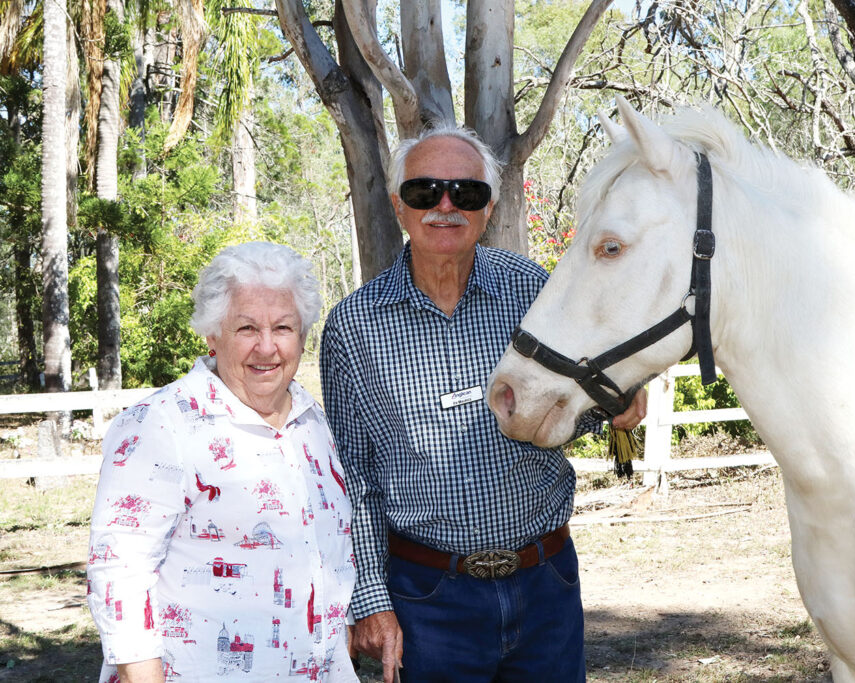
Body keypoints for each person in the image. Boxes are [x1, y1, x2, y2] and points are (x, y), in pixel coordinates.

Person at [319, 126, 645, 682]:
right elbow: (356, 478)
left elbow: (565, 411)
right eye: (425, 192)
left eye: (465, 194)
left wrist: (615, 405)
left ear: (488, 209)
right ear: (399, 205)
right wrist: (371, 601)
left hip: (546, 582)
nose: (445, 206)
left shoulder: (532, 291)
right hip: (428, 597)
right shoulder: (353, 327)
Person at [87, 242, 358, 683]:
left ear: (303, 335)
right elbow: (119, 575)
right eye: (247, 327)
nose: (267, 347)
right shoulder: (160, 424)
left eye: (284, 327)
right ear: (212, 334)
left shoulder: (313, 424)